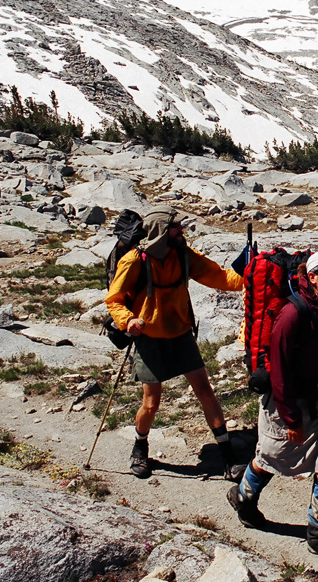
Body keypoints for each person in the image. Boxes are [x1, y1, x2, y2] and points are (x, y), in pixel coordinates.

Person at [226, 249, 318, 566]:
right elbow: (280, 372)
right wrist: (291, 420)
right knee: (271, 457)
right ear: (312, 276)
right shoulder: (291, 314)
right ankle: (244, 497)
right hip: (286, 402)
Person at [105, 204, 246, 480]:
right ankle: (140, 445)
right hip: (149, 339)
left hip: (180, 334)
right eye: (176, 227)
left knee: (206, 392)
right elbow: (114, 299)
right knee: (151, 403)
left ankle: (227, 455)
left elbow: (218, 276)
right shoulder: (135, 260)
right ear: (161, 232)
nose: (182, 231)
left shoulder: (184, 255)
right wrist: (128, 321)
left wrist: (251, 277)